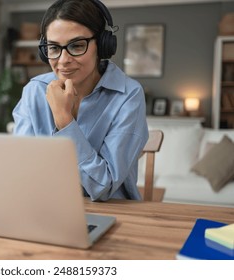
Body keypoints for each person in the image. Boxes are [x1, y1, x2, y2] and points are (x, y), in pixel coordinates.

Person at [12, 0, 148, 201]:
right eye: (53, 48)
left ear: (102, 46)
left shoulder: (128, 95)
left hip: (112, 213)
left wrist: (65, 121)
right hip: (46, 209)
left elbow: (103, 187)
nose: (63, 60)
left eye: (76, 45)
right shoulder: (34, 91)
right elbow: (22, 171)